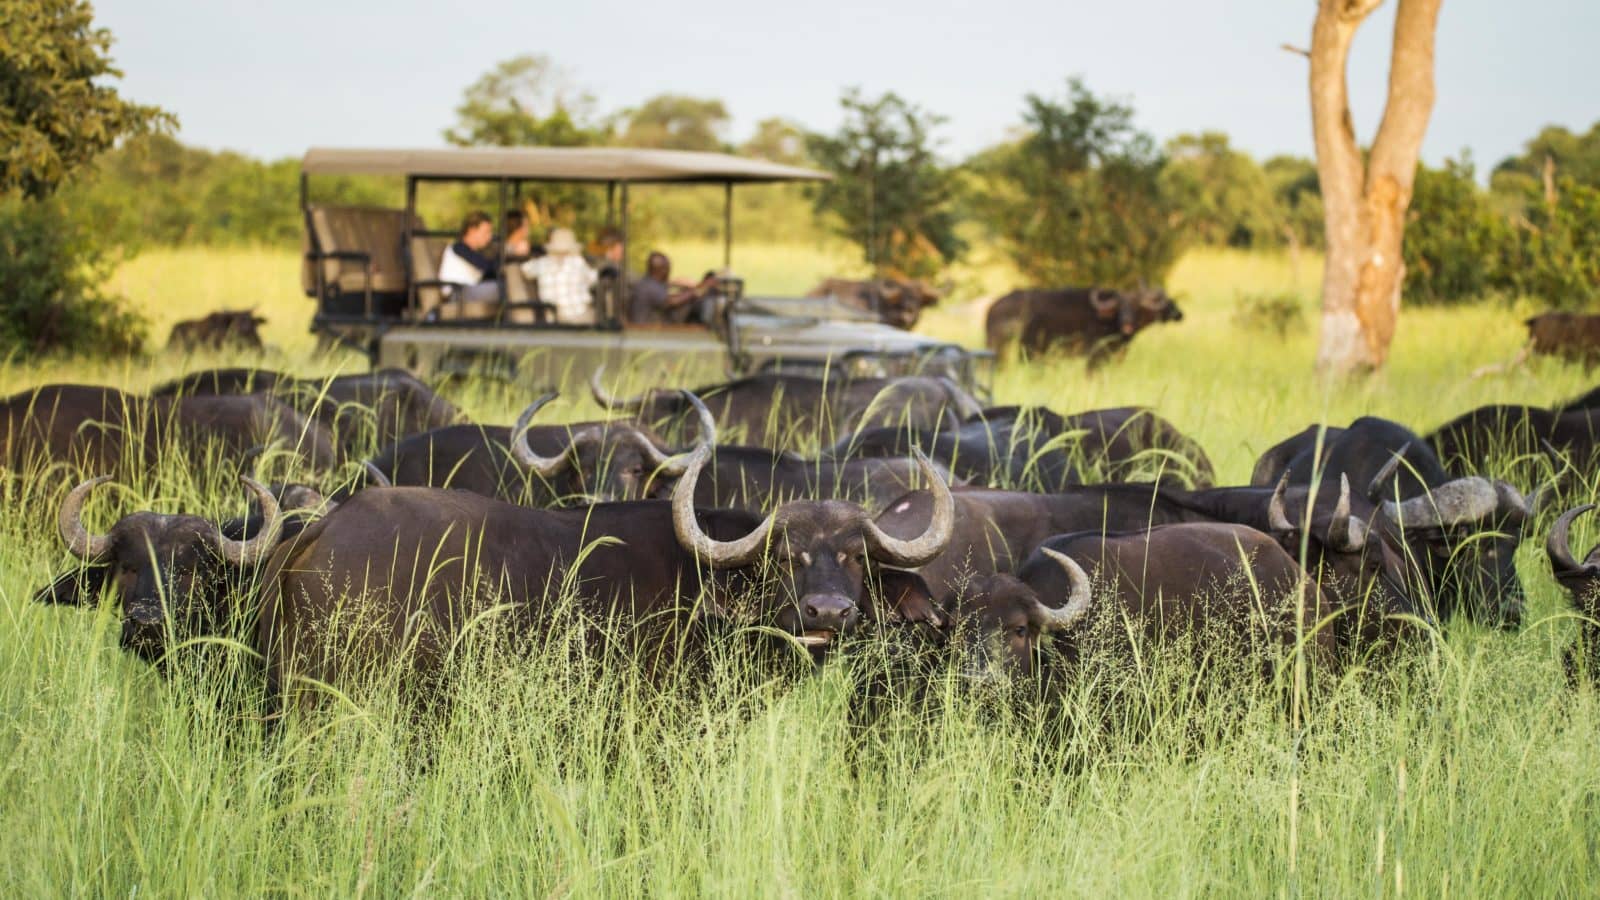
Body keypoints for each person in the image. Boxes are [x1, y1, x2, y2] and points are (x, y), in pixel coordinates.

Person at [521, 227, 597, 323]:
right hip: (580, 315)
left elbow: (526, 269)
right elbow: (594, 279)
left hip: (552, 316)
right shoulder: (578, 262)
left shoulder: (542, 263)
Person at [629, 251, 718, 325]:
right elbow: (672, 301)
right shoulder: (649, 287)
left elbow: (668, 287)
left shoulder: (649, 282)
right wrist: (696, 291)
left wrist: (693, 286)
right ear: (663, 270)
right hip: (649, 330)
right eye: (668, 268)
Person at [438, 211, 501, 303]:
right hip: (457, 293)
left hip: (468, 291)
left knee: (506, 286)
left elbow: (489, 272)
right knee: (504, 288)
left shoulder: (474, 251)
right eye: (486, 232)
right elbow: (486, 266)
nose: (489, 237)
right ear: (472, 230)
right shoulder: (459, 248)